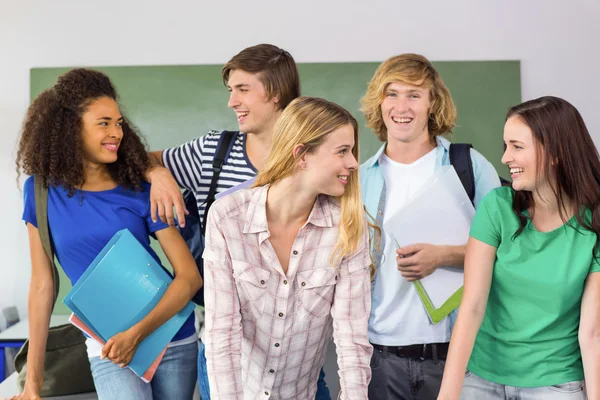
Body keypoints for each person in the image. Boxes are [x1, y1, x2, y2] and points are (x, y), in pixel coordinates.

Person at [144, 44, 331, 399]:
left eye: (243, 89)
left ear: (275, 93)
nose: (232, 101)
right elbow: (134, 157)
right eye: (231, 90)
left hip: (300, 364)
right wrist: (159, 173)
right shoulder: (211, 153)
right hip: (227, 359)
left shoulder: (317, 159)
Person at [14, 68, 202, 400]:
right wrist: (32, 384)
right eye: (104, 123)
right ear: (71, 128)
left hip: (171, 337)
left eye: (119, 123)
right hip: (107, 344)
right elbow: (42, 286)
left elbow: (188, 278)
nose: (116, 132)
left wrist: (137, 334)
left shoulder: (140, 188)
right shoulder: (40, 192)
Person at [202, 96, 373, 399]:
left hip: (300, 391)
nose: (354, 163)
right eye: (342, 151)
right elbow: (222, 335)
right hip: (235, 386)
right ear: (302, 155)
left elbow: (351, 339)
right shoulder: (228, 218)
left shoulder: (347, 227)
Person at [438, 96, 600, 400]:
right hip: (482, 376)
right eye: (506, 146)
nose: (505, 158)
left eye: (517, 146)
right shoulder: (497, 208)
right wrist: (447, 395)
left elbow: (592, 334)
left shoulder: (594, 224)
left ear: (556, 152)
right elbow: (471, 308)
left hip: (557, 382)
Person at [359, 53, 501, 400]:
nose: (401, 105)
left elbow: (510, 250)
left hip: (458, 352)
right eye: (391, 93)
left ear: (431, 103)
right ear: (379, 102)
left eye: (414, 94)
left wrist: (445, 256)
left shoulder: (469, 167)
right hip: (380, 355)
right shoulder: (359, 178)